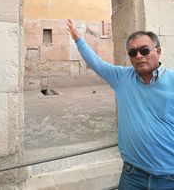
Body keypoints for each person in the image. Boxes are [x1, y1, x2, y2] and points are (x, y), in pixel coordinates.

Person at [66, 19, 174, 190]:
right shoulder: (122, 77)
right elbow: (97, 64)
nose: (139, 56)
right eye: (132, 53)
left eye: (144, 50)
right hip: (132, 175)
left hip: (168, 177)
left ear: (158, 51)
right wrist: (78, 39)